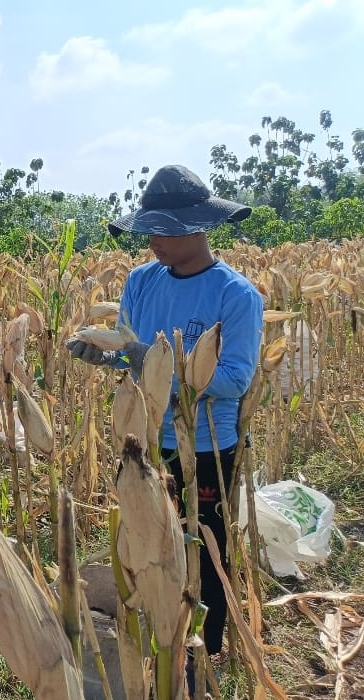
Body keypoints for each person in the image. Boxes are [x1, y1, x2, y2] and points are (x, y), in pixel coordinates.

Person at [66, 164, 263, 665]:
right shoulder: (140, 281)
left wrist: (155, 363)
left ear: (196, 226)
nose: (152, 240)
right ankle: (158, 638)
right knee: (148, 542)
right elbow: (128, 353)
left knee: (204, 546)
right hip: (145, 437)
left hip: (204, 445)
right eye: (148, 228)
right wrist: (101, 355)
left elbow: (235, 379)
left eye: (162, 230)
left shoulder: (235, 295)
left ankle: (208, 651)